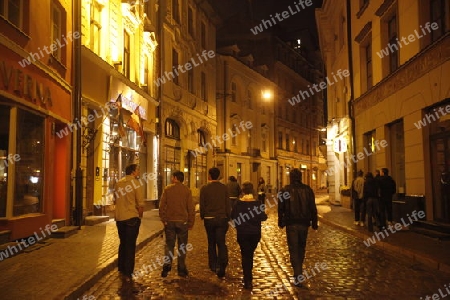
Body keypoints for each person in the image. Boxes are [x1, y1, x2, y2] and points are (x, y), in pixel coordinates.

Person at [278, 168, 318, 288]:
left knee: (293, 249)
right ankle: (298, 273)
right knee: (301, 247)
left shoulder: (285, 190)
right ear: (300, 177)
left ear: (291, 177)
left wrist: (281, 221)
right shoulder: (307, 190)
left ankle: (297, 274)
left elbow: (281, 208)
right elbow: (312, 207)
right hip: (304, 223)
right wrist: (314, 222)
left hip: (291, 224)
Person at [231, 181, 267, 290]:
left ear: (243, 191)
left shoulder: (238, 203)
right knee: (249, 254)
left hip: (242, 234)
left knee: (245, 255)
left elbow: (233, 217)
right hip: (254, 234)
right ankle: (248, 278)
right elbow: (263, 217)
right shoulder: (257, 204)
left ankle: (247, 278)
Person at [159, 170, 195, 278]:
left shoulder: (167, 189)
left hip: (170, 221)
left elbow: (162, 206)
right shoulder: (187, 191)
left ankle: (167, 265)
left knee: (169, 244)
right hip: (182, 222)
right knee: (182, 246)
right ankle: (181, 268)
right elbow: (191, 208)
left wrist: (164, 219)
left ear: (175, 178)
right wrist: (191, 222)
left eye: (172, 177)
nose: (171, 178)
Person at [114, 164, 144, 282]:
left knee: (123, 242)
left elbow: (115, 199)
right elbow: (140, 203)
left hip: (120, 218)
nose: (138, 172)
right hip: (131, 217)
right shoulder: (136, 183)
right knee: (130, 245)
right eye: (137, 170)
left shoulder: (118, 183)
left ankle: (121, 267)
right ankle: (128, 271)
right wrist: (140, 216)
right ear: (133, 172)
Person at [200, 167, 230, 278]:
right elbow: (228, 204)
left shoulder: (204, 188)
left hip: (209, 219)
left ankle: (213, 265)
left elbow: (202, 204)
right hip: (222, 218)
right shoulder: (224, 188)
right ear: (219, 176)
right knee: (221, 242)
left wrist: (203, 215)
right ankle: (222, 263)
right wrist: (228, 216)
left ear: (209, 176)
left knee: (211, 242)